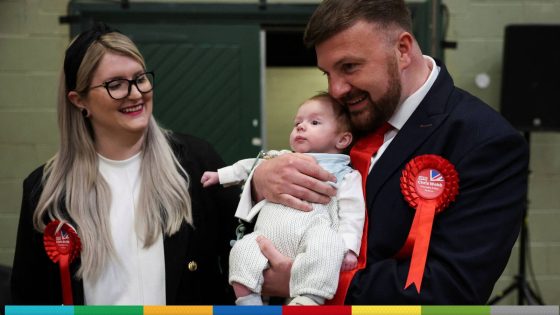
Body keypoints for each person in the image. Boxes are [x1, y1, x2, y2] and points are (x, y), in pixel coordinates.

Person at [243, 0, 529, 305]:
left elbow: (451, 289)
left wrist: (308, 279)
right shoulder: (342, 118)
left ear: (402, 50)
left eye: (349, 67)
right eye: (327, 73)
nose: (336, 89)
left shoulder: (485, 141)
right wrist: (260, 181)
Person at [11, 23, 239, 305]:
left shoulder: (196, 163)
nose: (135, 93)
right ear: (79, 100)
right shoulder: (45, 190)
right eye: (115, 85)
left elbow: (243, 254)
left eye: (140, 78)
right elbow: (29, 299)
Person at [201, 93, 365, 305]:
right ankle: (248, 302)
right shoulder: (280, 159)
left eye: (314, 122)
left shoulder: (344, 173)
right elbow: (249, 165)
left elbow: (353, 211)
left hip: (312, 234)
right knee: (242, 250)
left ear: (342, 139)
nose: (301, 127)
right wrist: (221, 175)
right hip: (266, 237)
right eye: (297, 122)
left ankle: (308, 299)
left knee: (327, 245)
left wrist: (350, 247)